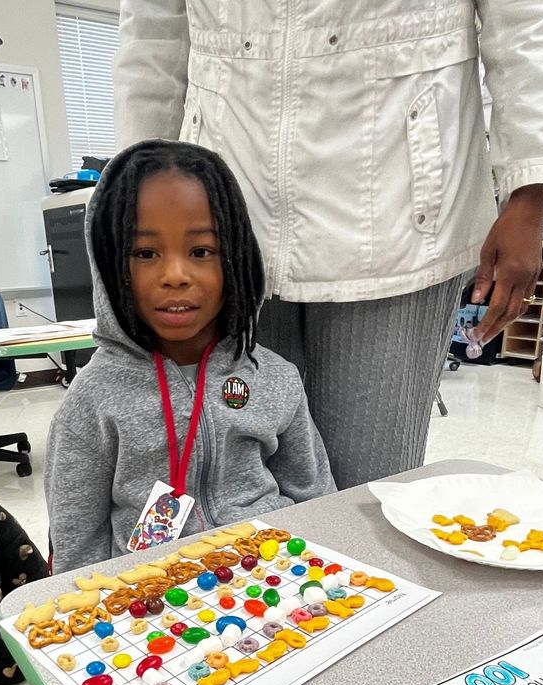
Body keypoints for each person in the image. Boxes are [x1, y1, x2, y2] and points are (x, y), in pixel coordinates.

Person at [113, 1, 543, 487]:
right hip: (225, 213)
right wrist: (132, 197)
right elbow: (153, 40)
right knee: (232, 483)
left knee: (368, 491)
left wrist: (531, 189)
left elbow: (538, 18)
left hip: (396, 209)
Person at [45, 141, 335, 574]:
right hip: (156, 596)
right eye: (145, 254)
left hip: (273, 579)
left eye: (201, 252)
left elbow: (315, 498)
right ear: (109, 264)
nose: (175, 276)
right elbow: (76, 546)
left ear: (235, 259)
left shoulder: (275, 377)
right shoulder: (93, 398)